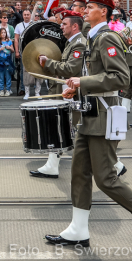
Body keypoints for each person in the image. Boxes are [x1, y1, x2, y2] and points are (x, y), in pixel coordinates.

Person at [46, 0, 132, 254]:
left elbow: (120, 78)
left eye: (89, 7)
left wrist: (83, 83)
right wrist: (77, 88)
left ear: (103, 11)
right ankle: (78, 229)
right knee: (79, 173)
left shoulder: (107, 37)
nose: (84, 10)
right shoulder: (93, 38)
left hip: (103, 114)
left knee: (106, 179)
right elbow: (94, 76)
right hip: (89, 112)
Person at [31, 9, 87, 179]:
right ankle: (52, 165)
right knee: (61, 128)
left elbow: (71, 69)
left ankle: (114, 164)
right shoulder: (71, 42)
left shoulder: (79, 44)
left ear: (75, 26)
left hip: (72, 92)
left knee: (74, 132)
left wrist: (48, 63)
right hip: (66, 90)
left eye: (64, 24)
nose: (61, 26)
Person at [14, 10, 40, 99]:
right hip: (24, 51)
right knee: (25, 72)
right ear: (22, 15)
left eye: (28, 14)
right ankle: (26, 92)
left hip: (35, 51)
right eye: (24, 15)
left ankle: (37, 92)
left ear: (30, 15)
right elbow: (16, 39)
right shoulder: (19, 25)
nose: (26, 16)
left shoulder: (35, 24)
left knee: (37, 71)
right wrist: (17, 51)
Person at [0, 29, 15, 96]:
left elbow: (13, 50)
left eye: (4, 32)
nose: (3, 34)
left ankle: (8, 90)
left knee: (8, 76)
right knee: (1, 76)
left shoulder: (9, 41)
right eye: (2, 33)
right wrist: (0, 49)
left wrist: (9, 47)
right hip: (1, 60)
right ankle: (1, 90)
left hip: (8, 60)